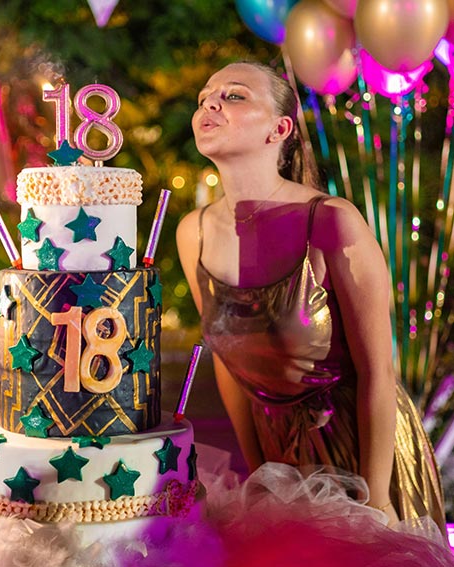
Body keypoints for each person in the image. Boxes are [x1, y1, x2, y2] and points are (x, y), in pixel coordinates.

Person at [176, 60, 447, 536]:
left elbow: (378, 373)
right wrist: (261, 474)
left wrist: (376, 499)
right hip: (276, 452)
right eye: (204, 98)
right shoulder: (192, 232)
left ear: (279, 129)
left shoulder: (331, 220)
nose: (209, 104)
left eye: (233, 95)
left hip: (360, 447)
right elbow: (228, 362)